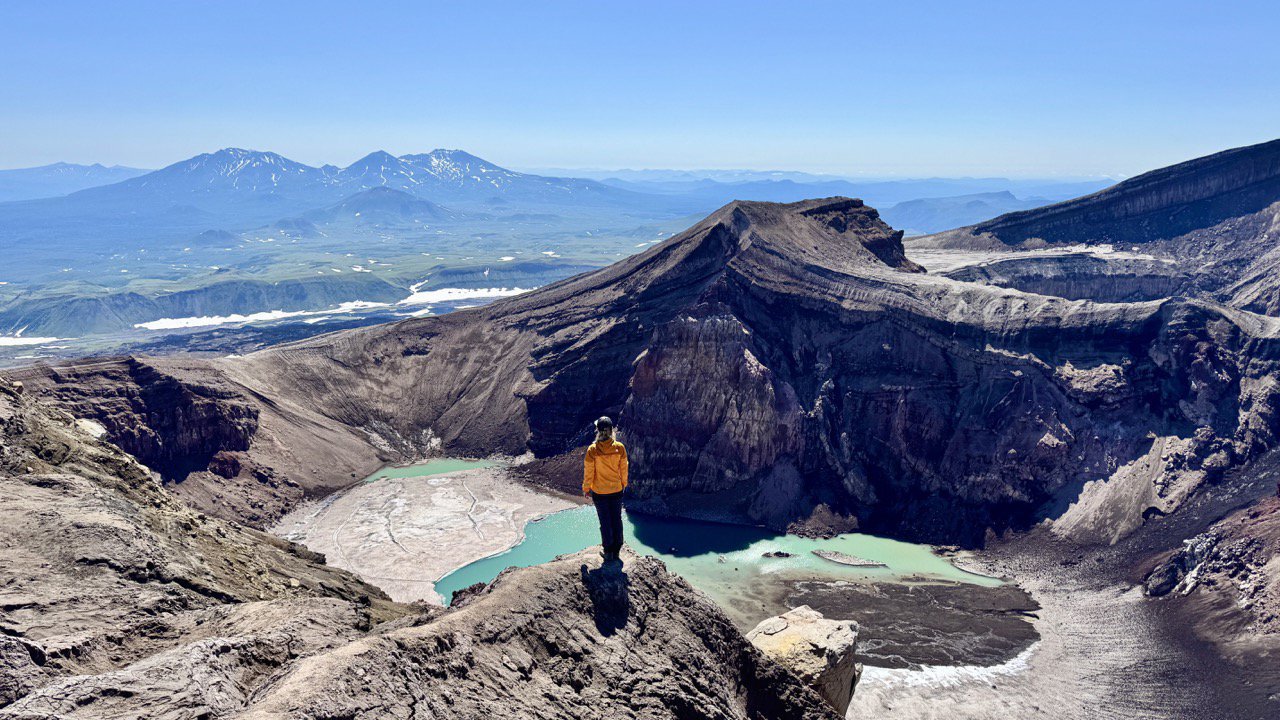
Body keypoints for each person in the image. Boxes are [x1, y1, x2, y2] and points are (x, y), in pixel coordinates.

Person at [583, 416, 628, 562]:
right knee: (617, 519)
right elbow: (624, 468)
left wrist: (586, 488)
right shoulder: (619, 448)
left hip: (600, 492)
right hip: (616, 490)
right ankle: (617, 550)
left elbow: (589, 471)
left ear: (598, 431)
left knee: (605, 521)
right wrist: (624, 484)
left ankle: (608, 551)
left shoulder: (593, 450)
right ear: (611, 430)